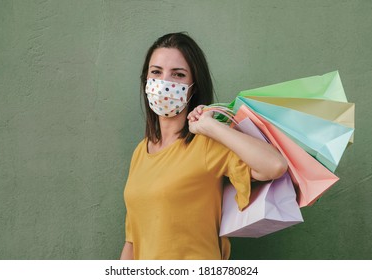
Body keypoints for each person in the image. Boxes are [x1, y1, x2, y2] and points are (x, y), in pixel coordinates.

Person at [120, 32, 287, 260]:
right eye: (156, 72)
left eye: (178, 74)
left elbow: (275, 165)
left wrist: (211, 127)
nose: (165, 83)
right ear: (146, 80)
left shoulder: (207, 144)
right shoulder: (141, 152)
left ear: (193, 86)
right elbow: (132, 241)